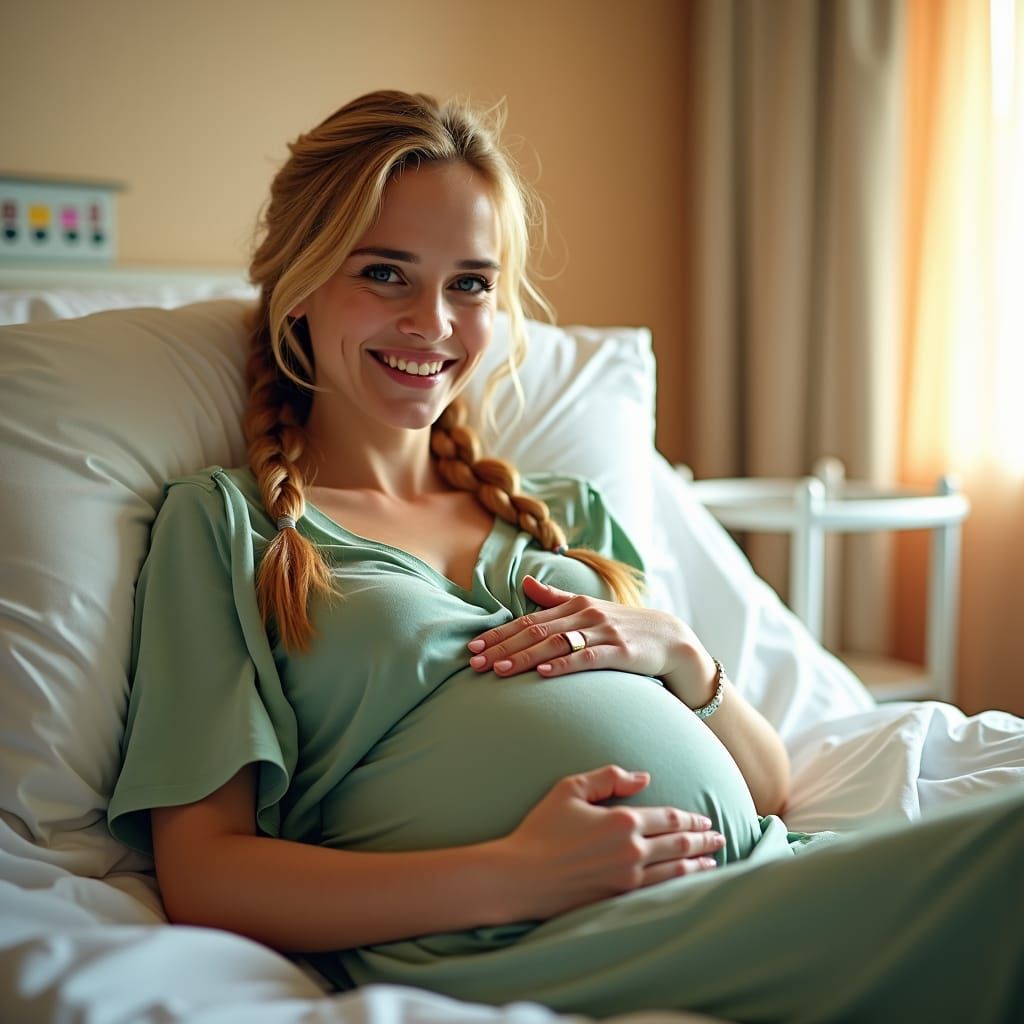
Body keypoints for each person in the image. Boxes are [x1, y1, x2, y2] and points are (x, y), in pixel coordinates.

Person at [108, 90, 1023, 1022]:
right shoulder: (230, 527)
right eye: (385, 273)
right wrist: (511, 877)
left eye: (469, 283)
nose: (433, 321)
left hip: (755, 879)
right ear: (299, 285)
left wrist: (683, 656)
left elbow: (770, 785)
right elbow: (207, 875)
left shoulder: (562, 511)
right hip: (535, 942)